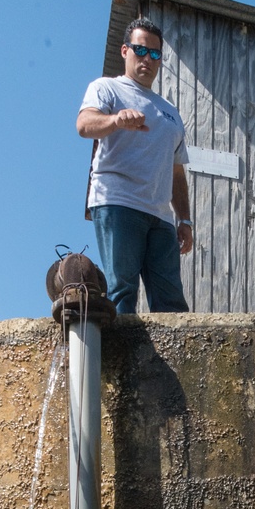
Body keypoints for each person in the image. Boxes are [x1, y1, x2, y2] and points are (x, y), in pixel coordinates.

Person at [77, 18, 192, 315]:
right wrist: (115, 120)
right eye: (141, 50)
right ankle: (119, 361)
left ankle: (168, 361)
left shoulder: (170, 113)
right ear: (125, 51)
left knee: (171, 301)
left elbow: (177, 170)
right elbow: (84, 125)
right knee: (122, 291)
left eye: (155, 54)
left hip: (161, 215)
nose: (147, 59)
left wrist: (185, 220)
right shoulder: (107, 88)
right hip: (118, 202)